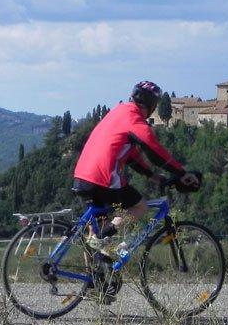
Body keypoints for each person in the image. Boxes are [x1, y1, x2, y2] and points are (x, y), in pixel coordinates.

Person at [72, 80, 199, 249]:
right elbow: (155, 151)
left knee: (95, 239)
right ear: (152, 105)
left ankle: (98, 270)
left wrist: (151, 175)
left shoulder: (119, 111)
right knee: (140, 206)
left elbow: (130, 155)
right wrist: (181, 173)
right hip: (103, 177)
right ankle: (112, 241)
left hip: (82, 176)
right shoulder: (135, 120)